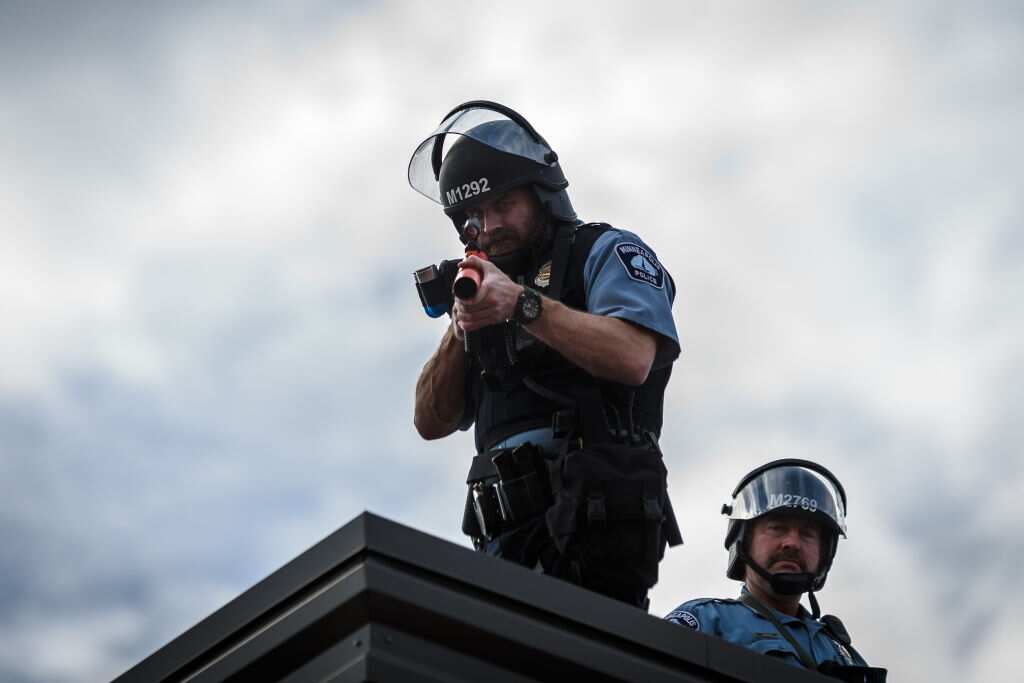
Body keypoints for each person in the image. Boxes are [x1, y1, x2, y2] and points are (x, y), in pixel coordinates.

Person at [408, 100, 682, 609]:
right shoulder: (484, 288)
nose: (487, 225)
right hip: (498, 555)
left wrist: (522, 305)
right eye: (473, 215)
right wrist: (459, 322)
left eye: (502, 204)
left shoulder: (603, 252)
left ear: (541, 195)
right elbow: (429, 420)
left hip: (594, 541)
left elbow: (633, 356)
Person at [665, 460, 886, 681]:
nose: (792, 543)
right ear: (744, 541)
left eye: (807, 533)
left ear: (825, 553)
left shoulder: (842, 653)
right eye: (777, 528)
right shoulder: (707, 620)